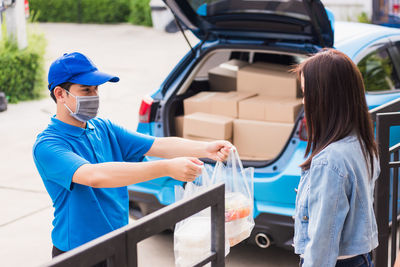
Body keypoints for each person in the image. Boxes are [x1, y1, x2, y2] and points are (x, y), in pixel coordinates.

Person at [32, 52, 232, 260]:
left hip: (120, 242)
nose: (94, 96)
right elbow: (95, 177)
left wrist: (206, 148)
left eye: (96, 89)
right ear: (60, 94)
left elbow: (157, 145)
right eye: (85, 90)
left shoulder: (103, 128)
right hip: (78, 252)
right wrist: (166, 168)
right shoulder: (48, 145)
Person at [293, 49, 379, 267]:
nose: (304, 102)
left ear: (324, 99)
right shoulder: (361, 142)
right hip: (360, 258)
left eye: (306, 94)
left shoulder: (330, 161)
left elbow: (322, 245)